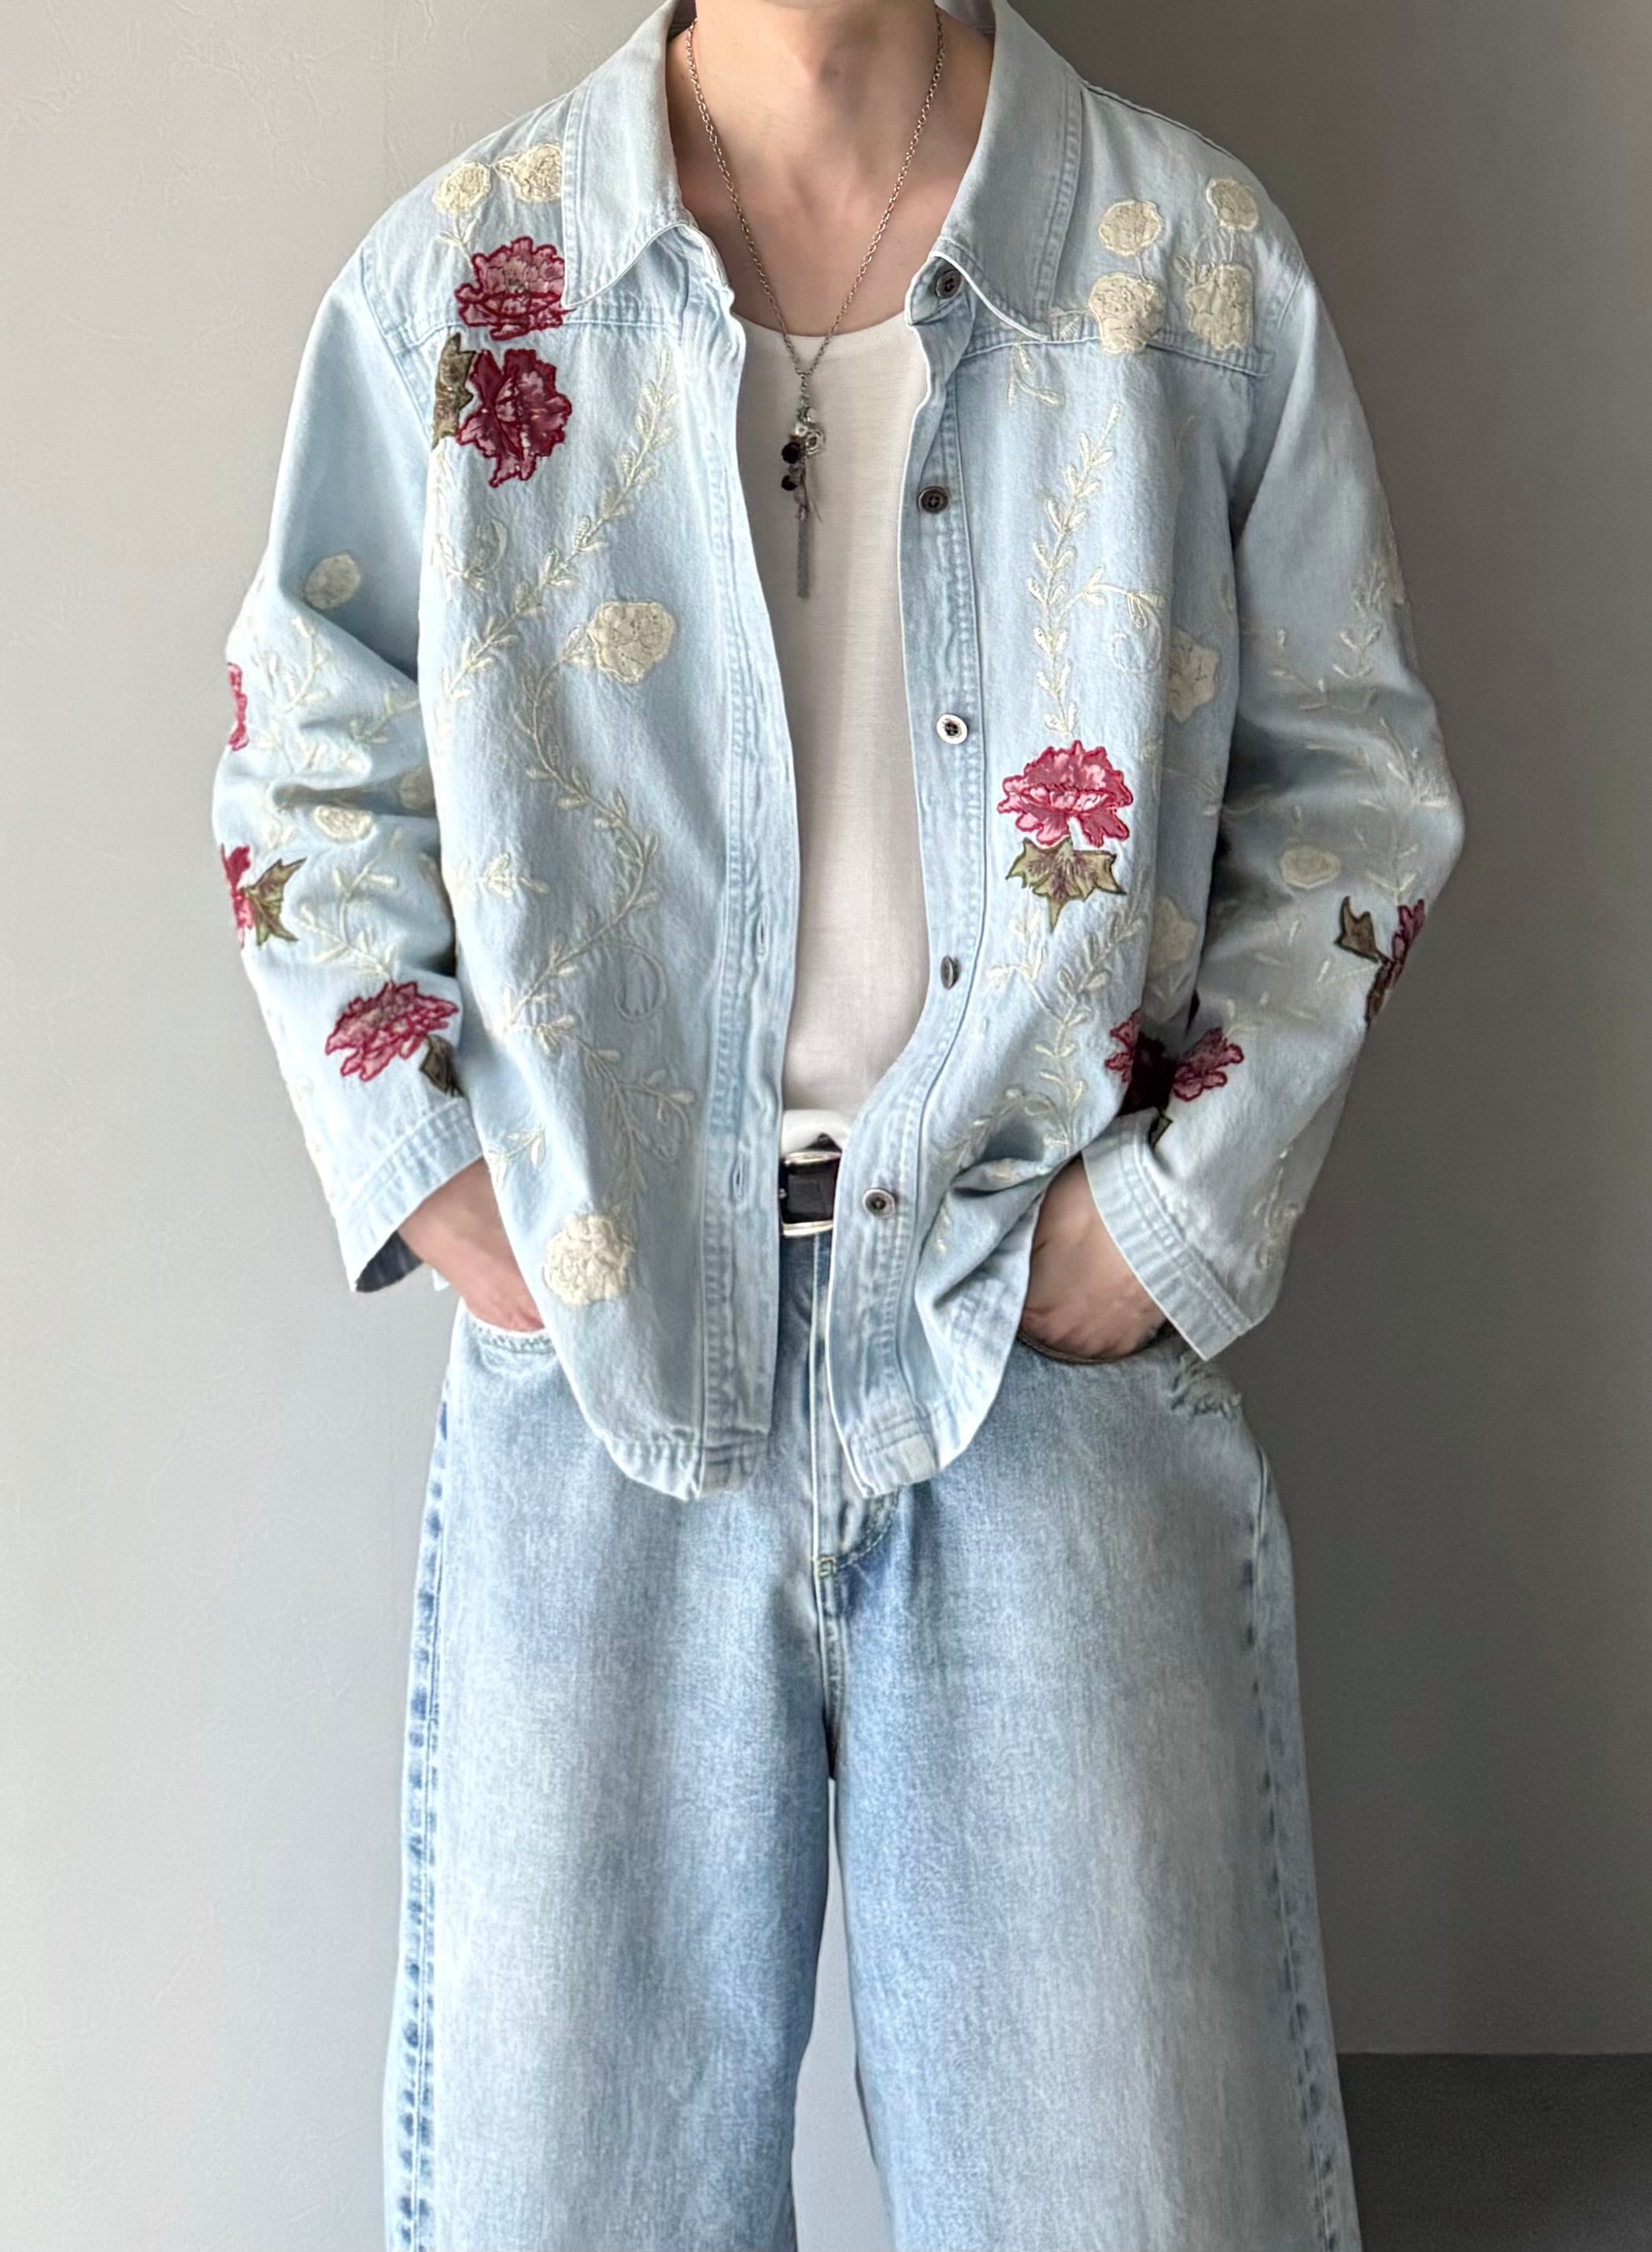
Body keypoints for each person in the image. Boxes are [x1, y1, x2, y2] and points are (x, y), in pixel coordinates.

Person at [211, 0, 1463, 2243]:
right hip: (601, 1373)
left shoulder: (1184, 267)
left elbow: (1350, 795)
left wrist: (1168, 1217)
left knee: (1121, 2192)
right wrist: (448, 1185)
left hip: (1039, 1357)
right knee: (567, 2197)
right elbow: (302, 774)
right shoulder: (467, 279)